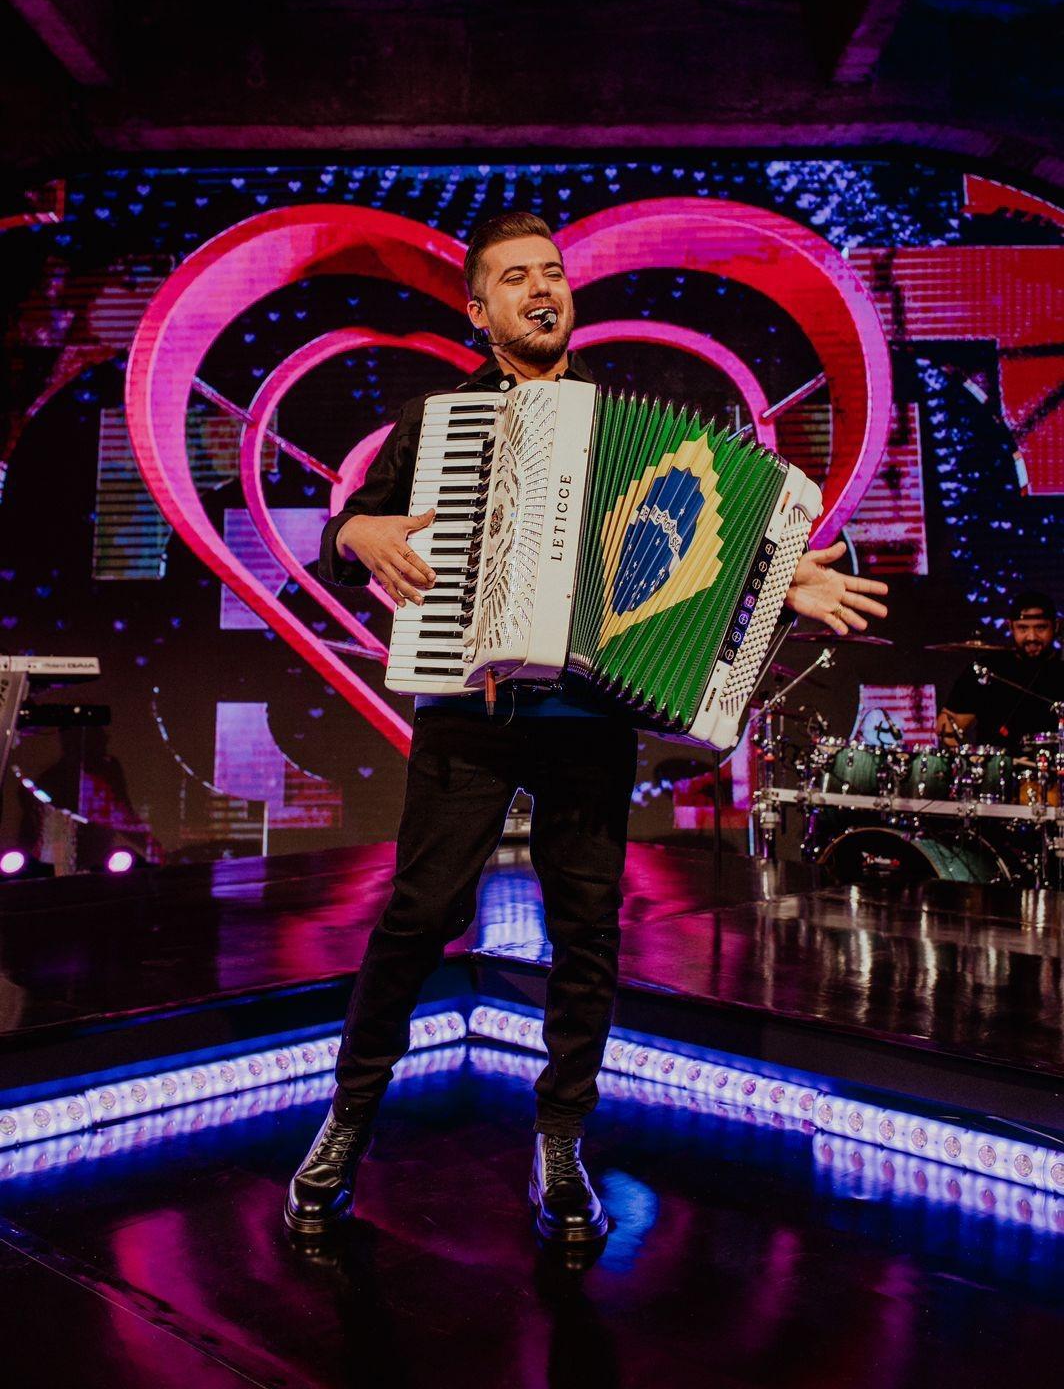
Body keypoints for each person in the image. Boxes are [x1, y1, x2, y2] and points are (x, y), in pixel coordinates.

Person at [284, 212, 889, 1245]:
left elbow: (708, 529)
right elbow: (355, 533)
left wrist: (779, 571)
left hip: (587, 717)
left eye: (550, 274)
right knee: (418, 916)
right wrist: (355, 529)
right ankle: (347, 1117)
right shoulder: (433, 421)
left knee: (585, 936)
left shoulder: (630, 423)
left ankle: (561, 1137)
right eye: (513, 279)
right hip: (468, 713)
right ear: (477, 312)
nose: (539, 289)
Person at [936, 590, 1064, 753]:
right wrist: (969, 761)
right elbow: (947, 724)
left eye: (1041, 628)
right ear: (1010, 626)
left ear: (1056, 626)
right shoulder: (986, 670)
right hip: (999, 773)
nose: (1032, 637)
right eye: (1023, 628)